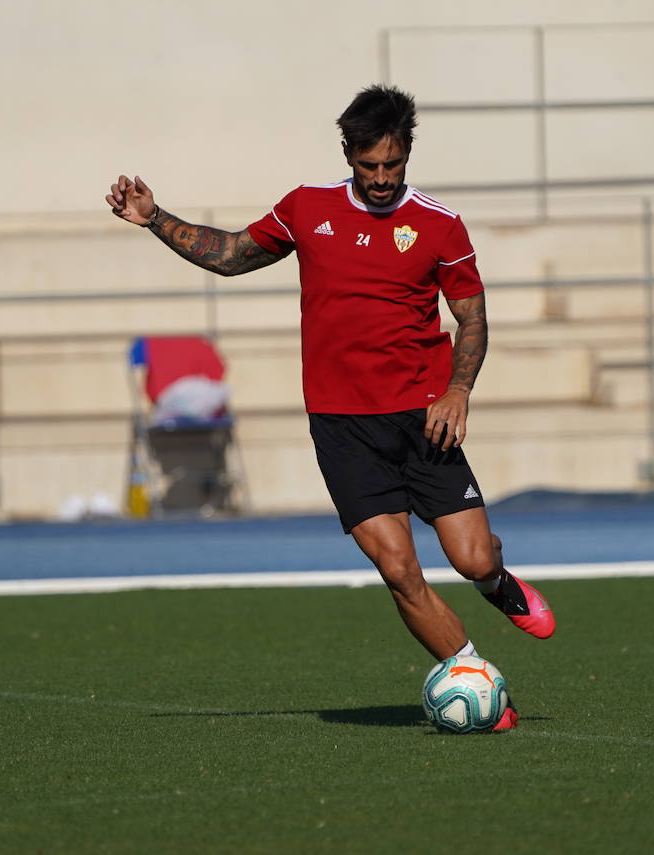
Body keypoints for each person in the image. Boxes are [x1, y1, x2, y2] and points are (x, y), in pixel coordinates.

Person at [106, 85, 554, 730]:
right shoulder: (306, 208)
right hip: (342, 427)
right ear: (348, 155)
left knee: (473, 557)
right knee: (399, 570)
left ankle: (497, 585)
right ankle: (473, 675)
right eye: (368, 166)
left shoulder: (439, 225)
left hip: (422, 418)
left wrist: (458, 391)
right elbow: (231, 256)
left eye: (392, 166)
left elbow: (471, 316)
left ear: (407, 156)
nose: (379, 179)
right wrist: (154, 217)